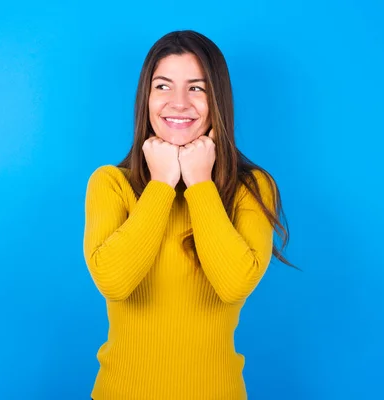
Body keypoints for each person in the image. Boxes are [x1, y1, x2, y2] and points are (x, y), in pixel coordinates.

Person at [83, 30, 297, 400]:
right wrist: (162, 184)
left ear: (217, 100)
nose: (178, 103)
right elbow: (114, 283)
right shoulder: (110, 183)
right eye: (163, 86)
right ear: (146, 99)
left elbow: (232, 285)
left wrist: (199, 183)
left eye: (196, 88)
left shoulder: (252, 187)